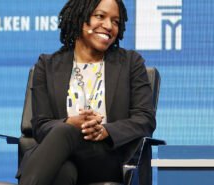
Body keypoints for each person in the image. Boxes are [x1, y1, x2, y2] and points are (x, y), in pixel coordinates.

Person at [17, 0, 156, 184]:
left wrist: (105, 130)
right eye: (100, 16)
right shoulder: (47, 65)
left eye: (116, 21)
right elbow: (40, 125)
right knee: (63, 172)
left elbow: (145, 119)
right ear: (79, 18)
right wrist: (70, 122)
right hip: (60, 158)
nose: (109, 26)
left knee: (65, 132)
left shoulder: (131, 63)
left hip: (107, 159)